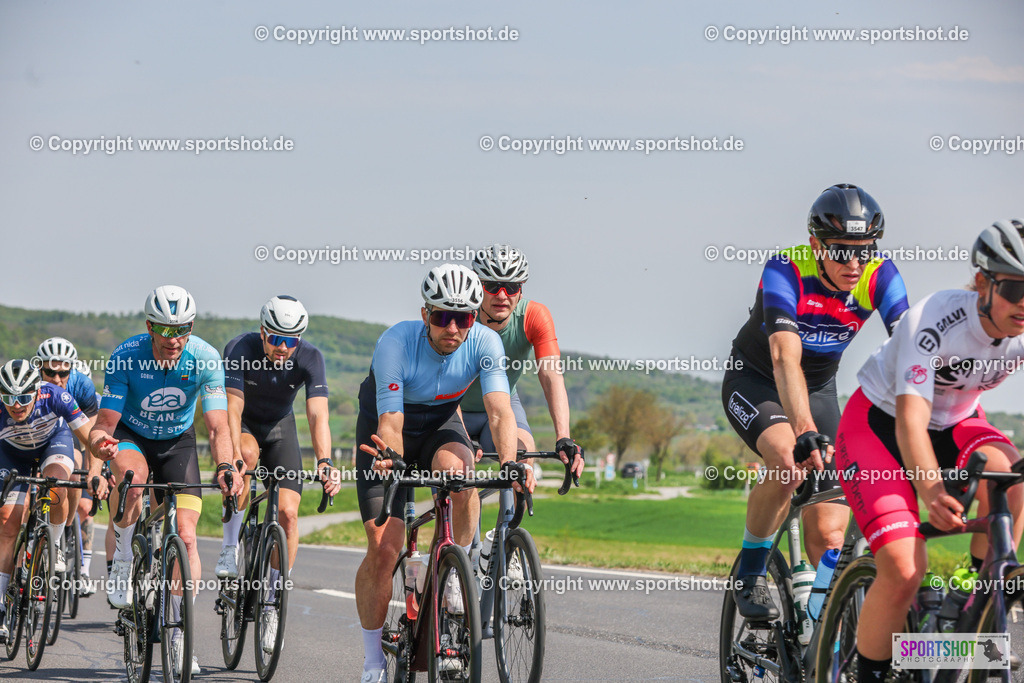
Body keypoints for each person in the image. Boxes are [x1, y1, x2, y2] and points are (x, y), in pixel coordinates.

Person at [836, 220, 1024, 682]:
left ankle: (966, 602)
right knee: (904, 569)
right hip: (879, 426)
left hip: (958, 423)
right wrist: (934, 490)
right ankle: (872, 674)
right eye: (1017, 289)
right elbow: (911, 422)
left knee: (1016, 482)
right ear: (983, 282)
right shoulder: (935, 319)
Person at [723, 184, 910, 620]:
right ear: (815, 245)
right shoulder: (785, 269)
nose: (855, 262)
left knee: (829, 536)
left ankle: (820, 628)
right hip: (757, 381)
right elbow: (784, 356)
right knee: (790, 460)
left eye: (864, 250)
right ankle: (750, 570)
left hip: (820, 387)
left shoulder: (880, 275)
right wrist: (805, 430)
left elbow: (911, 347)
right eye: (842, 251)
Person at [353, 264, 534, 683]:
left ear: (474, 318)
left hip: (438, 424)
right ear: (424, 315)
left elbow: (499, 410)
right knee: (384, 549)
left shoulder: (486, 342)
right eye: (442, 316)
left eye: (463, 317)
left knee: (462, 476)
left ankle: (456, 567)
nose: (452, 327)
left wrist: (511, 463)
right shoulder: (395, 343)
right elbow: (391, 421)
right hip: (386, 431)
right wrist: (391, 458)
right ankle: (372, 663)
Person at [90, 285, 241, 676]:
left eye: (182, 329)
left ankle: (178, 632)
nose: (174, 339)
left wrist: (226, 466)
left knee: (187, 537)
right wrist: (101, 445)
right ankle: (123, 558)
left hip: (178, 442)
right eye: (164, 329)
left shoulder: (205, 358)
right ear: (150, 327)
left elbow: (218, 425)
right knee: (133, 480)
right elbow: (103, 425)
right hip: (131, 437)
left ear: (191, 327)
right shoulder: (126, 356)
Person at [219, 295, 341, 652]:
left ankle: (272, 598)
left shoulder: (310, 358)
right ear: (262, 332)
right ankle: (229, 547)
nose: (283, 347)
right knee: (246, 455)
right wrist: (232, 460)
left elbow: (318, 415)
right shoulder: (240, 348)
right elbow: (233, 406)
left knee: (287, 513)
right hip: (244, 427)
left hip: (280, 427)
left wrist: (324, 461)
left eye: (291, 341)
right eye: (275, 339)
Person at [0, 359, 104, 643]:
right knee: (8, 521)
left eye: (23, 397)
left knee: (56, 485)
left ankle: (55, 544)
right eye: (8, 397)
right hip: (11, 454)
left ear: (37, 391)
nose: (16, 405)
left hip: (52, 444)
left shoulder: (57, 395)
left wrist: (96, 472)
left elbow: (89, 440)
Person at [462, 244, 584, 476]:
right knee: (455, 468)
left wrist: (563, 436)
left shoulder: (534, 316)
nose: (501, 295)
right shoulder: (459, 317)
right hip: (454, 407)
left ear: (520, 290)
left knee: (523, 460)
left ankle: (511, 510)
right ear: (478, 286)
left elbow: (551, 375)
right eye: (492, 286)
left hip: (504, 405)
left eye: (510, 287)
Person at [34, 337, 102, 595]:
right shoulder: (30, 382)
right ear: (39, 368)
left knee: (73, 469)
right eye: (50, 372)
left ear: (71, 370)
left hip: (72, 431)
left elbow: (92, 435)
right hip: (36, 433)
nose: (56, 378)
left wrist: (95, 472)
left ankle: (66, 522)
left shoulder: (82, 386)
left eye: (63, 372)